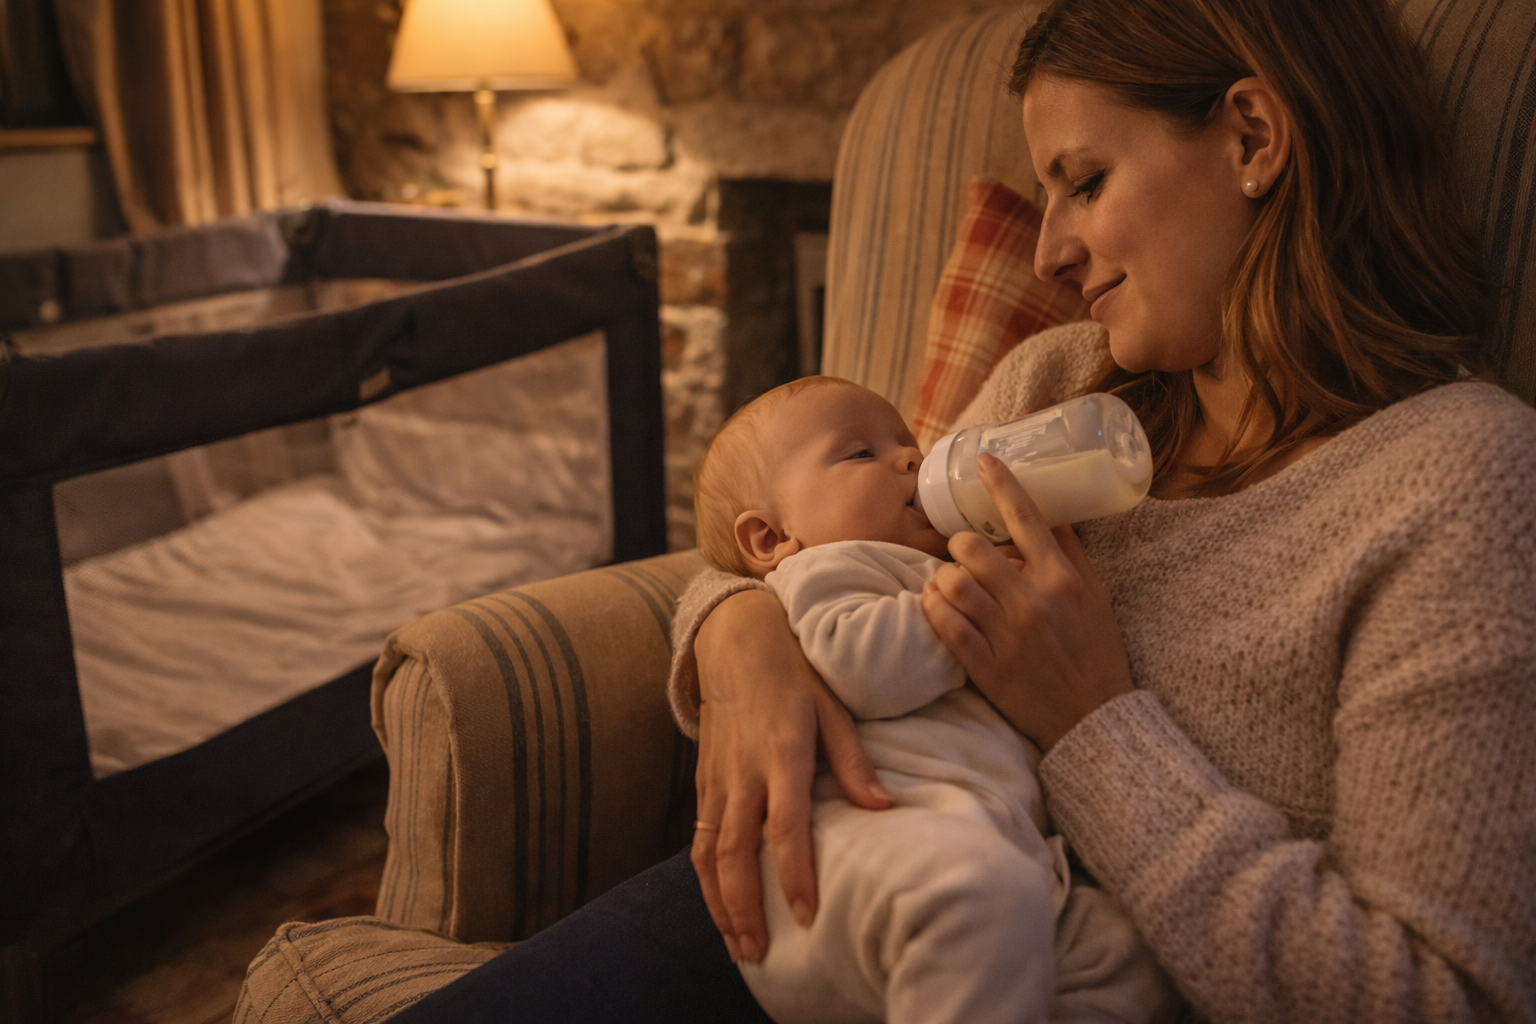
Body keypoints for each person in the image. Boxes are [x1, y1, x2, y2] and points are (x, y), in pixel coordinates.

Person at [389, 0, 1536, 1020]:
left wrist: (1095, 723)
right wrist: (743, 641)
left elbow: (1440, 993)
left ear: (1252, 135)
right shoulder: (1057, 386)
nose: (1051, 248)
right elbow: (809, 537)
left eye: (1084, 181)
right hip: (822, 905)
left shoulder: (1456, 480)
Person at [687, 374, 1172, 1024]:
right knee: (979, 899)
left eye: (907, 443)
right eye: (860, 453)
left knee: (1126, 950)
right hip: (857, 854)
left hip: (991, 850)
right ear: (773, 539)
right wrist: (982, 616)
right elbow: (863, 667)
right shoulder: (828, 568)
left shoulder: (932, 564)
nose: (913, 457)